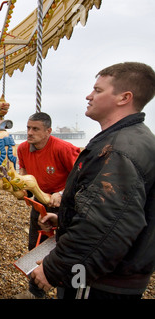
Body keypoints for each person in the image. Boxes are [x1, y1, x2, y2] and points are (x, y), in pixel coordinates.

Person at [32, 62, 155, 299]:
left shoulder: (118, 150)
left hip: (99, 282)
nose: (89, 96)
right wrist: (65, 218)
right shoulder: (131, 139)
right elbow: (119, 212)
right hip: (115, 276)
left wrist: (53, 269)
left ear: (124, 98)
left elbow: (104, 229)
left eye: (98, 90)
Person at [14, 112, 80, 299]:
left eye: (35, 129)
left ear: (48, 131)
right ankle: (35, 292)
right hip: (40, 203)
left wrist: (60, 194)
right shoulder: (23, 149)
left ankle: (66, 291)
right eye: (28, 128)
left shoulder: (64, 149)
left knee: (65, 249)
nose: (29, 132)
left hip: (65, 206)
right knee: (36, 246)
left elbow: (82, 178)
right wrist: (22, 189)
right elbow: (24, 172)